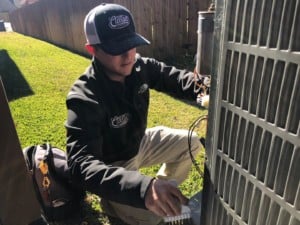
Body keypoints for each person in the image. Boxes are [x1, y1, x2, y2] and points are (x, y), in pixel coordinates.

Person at [65, 3, 205, 225]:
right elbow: (80, 165)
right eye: (116, 47)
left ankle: (161, 192)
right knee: (157, 218)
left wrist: (206, 87)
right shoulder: (84, 96)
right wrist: (141, 189)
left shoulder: (139, 66)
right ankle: (118, 203)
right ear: (93, 49)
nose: (128, 55)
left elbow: (177, 79)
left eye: (131, 44)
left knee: (192, 143)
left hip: (141, 142)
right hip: (114, 163)